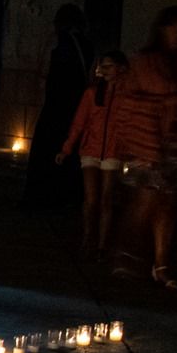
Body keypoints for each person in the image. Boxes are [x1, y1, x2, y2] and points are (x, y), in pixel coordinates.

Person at [113, 6, 177, 289]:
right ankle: (126, 255)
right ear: (162, 30)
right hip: (147, 142)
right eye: (174, 28)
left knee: (169, 204)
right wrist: (162, 105)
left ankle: (161, 264)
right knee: (145, 201)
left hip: (176, 144)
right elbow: (126, 101)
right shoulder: (143, 62)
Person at [56, 51, 127, 258]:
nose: (105, 70)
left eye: (109, 66)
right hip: (91, 149)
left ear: (119, 68)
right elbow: (79, 123)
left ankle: (103, 244)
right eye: (102, 66)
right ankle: (88, 238)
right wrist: (66, 148)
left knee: (106, 198)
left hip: (113, 151)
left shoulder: (125, 95)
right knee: (91, 198)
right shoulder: (91, 93)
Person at [25, 4, 94, 209]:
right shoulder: (87, 45)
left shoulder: (57, 41)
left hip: (56, 105)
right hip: (78, 106)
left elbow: (42, 69)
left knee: (47, 149)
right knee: (72, 150)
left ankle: (44, 198)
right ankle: (69, 197)